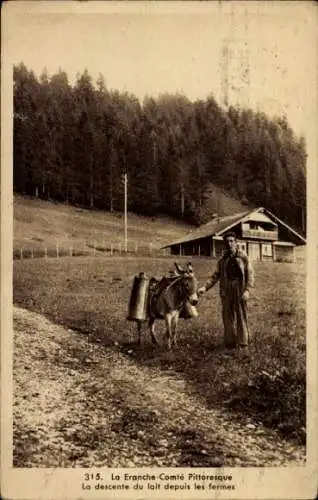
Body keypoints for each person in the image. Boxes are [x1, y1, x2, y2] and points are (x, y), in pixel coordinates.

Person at [198, 232, 254, 348]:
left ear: (236, 242)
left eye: (231, 241)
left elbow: (250, 274)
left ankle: (243, 342)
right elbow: (216, 275)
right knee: (227, 315)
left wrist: (247, 290)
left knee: (240, 314)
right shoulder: (223, 259)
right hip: (226, 288)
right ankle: (230, 343)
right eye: (227, 242)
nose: (229, 244)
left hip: (239, 287)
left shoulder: (243, 257)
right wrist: (205, 287)